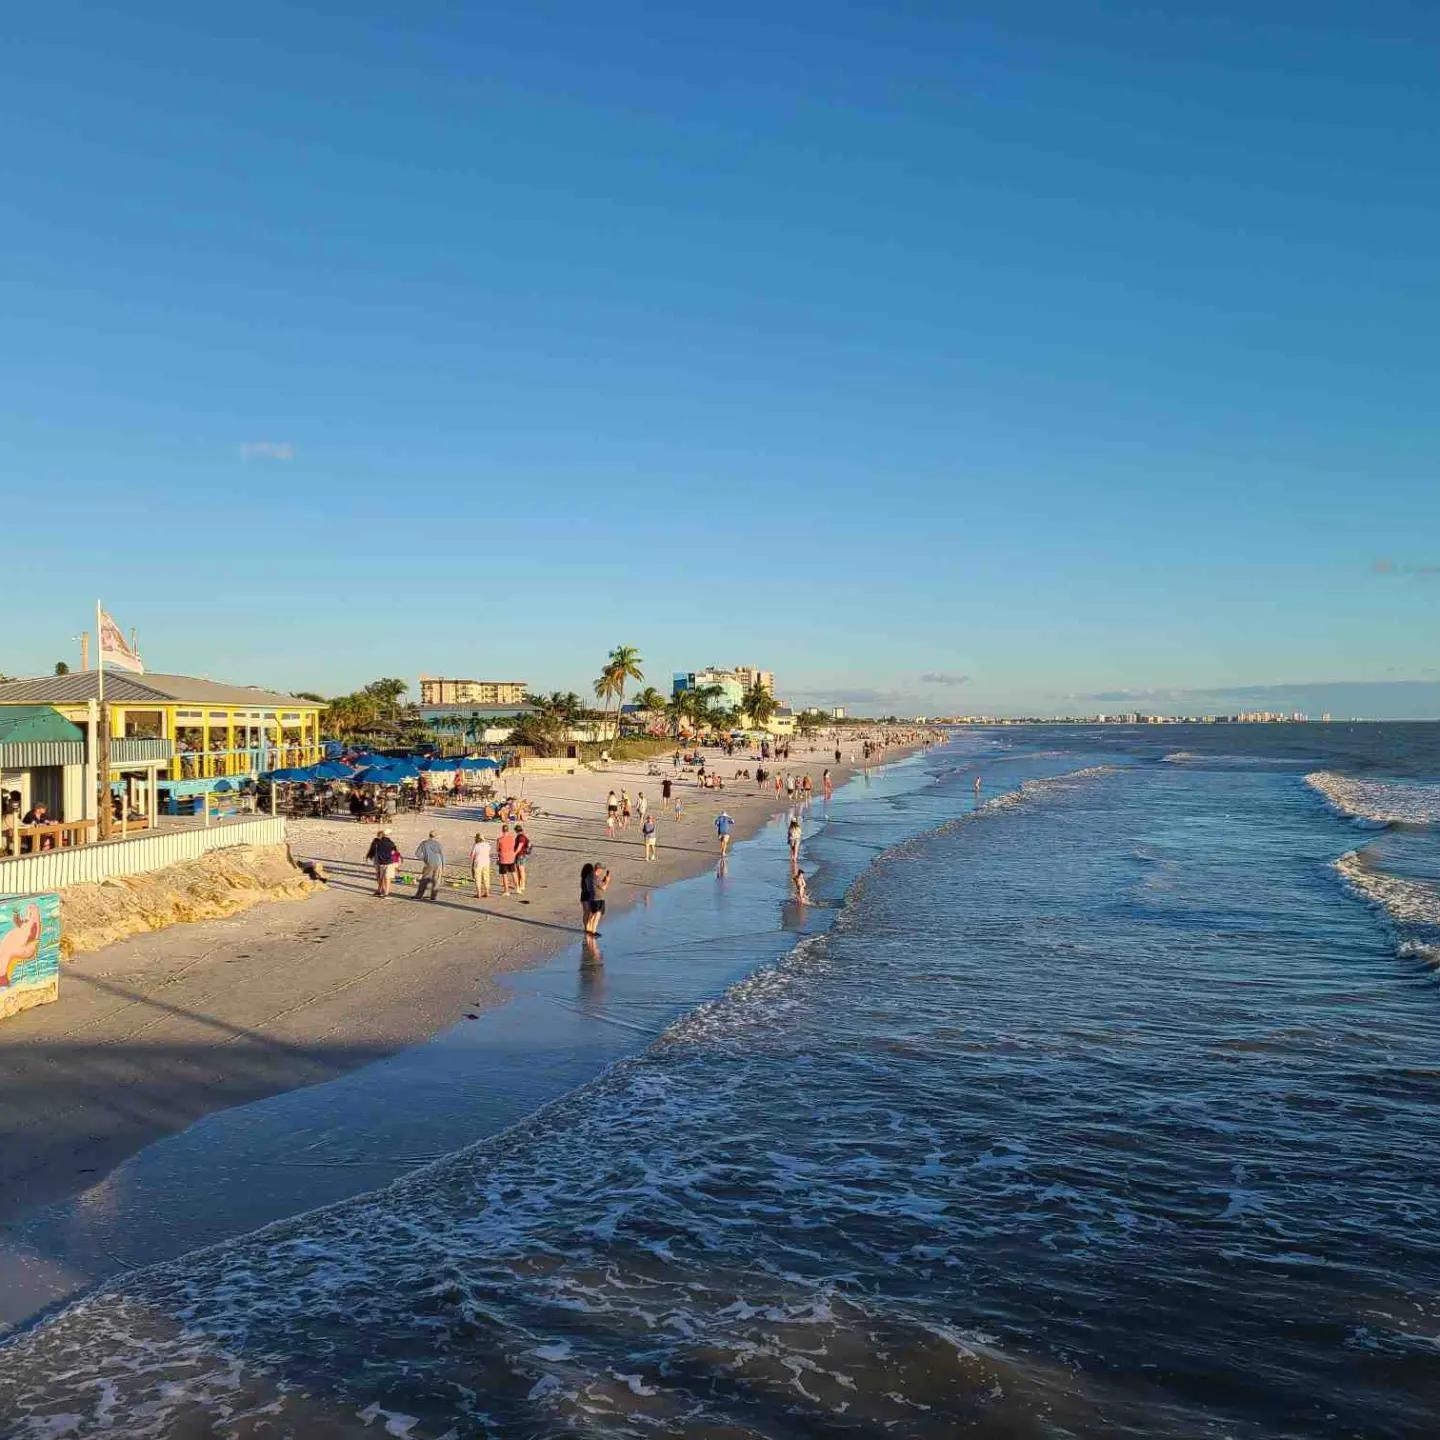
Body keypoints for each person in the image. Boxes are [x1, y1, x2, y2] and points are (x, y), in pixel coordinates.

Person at [365, 827, 401, 897]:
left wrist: (369, 856)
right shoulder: (388, 843)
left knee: (380, 876)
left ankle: (381, 890)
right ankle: (383, 891)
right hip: (383, 861)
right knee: (385, 877)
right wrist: (397, 865)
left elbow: (371, 851)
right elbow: (395, 853)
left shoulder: (376, 842)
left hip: (378, 861)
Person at [581, 860, 610, 935]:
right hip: (595, 898)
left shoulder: (587, 876)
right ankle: (591, 930)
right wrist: (607, 880)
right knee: (595, 915)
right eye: (601, 869)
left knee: (590, 914)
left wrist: (604, 880)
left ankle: (588, 929)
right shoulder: (595, 877)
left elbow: (597, 885)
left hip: (589, 897)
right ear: (598, 869)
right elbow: (603, 887)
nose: (602, 871)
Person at [414, 830, 444, 901]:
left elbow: (417, 854)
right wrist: (443, 866)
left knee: (424, 880)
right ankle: (433, 897)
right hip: (438, 863)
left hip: (429, 863)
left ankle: (419, 895)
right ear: (436, 836)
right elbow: (442, 856)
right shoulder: (438, 844)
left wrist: (425, 859)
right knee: (436, 880)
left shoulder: (424, 843)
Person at [496, 822, 519, 895]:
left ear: (502, 830)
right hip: (511, 857)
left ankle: (506, 891)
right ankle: (518, 888)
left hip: (503, 858)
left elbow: (497, 849)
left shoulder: (499, 839)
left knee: (504, 875)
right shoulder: (512, 838)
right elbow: (514, 846)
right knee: (513, 873)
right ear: (508, 830)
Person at [469, 830, 492, 898]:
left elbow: (471, 855)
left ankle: (479, 893)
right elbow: (488, 851)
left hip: (478, 862)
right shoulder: (487, 844)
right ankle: (487, 892)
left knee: (478, 877)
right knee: (486, 877)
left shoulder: (476, 845)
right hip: (486, 861)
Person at [513, 822, 532, 897]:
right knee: (519, 869)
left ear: (516, 831)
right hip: (522, 854)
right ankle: (520, 883)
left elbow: (519, 847)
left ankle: (522, 885)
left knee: (521, 869)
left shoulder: (521, 837)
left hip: (520, 854)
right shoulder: (523, 836)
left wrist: (514, 853)